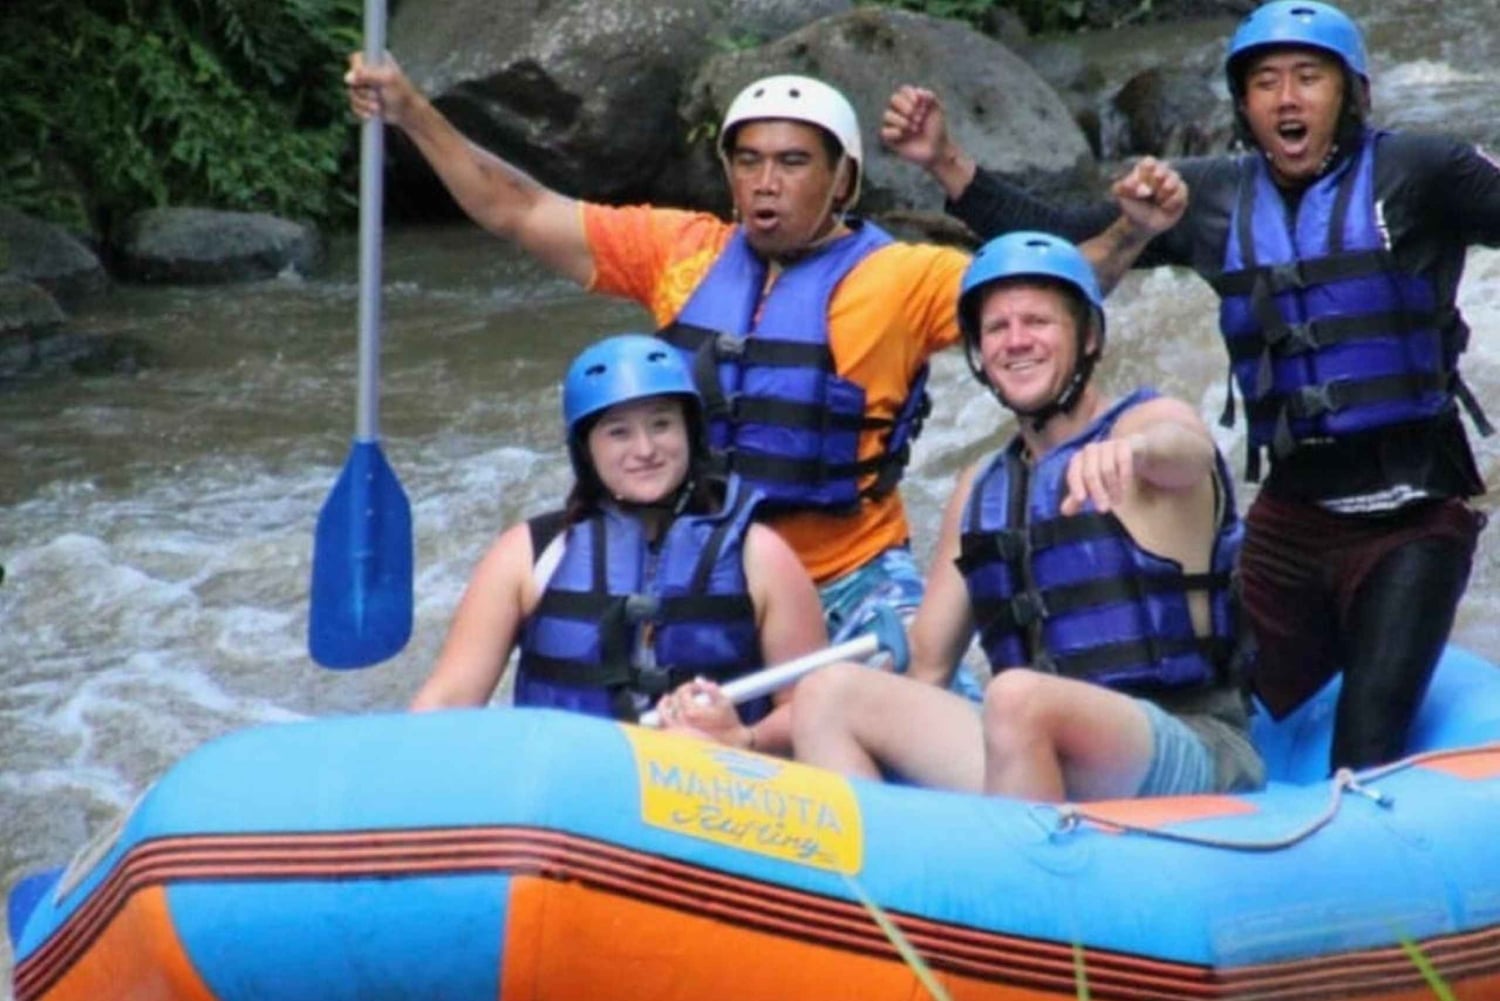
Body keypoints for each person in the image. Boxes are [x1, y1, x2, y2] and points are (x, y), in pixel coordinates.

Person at [344, 58, 1170, 698]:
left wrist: (1128, 235)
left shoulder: (903, 278)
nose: (765, 183)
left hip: (849, 577)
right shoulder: (680, 253)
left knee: (938, 704)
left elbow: (1046, 296)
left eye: (792, 162)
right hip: (704, 564)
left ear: (842, 179)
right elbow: (517, 208)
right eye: (748, 162)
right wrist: (414, 113)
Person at [885, 0, 1500, 771]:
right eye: (1265, 83)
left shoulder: (1425, 171)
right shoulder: (1209, 195)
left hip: (1414, 516)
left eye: (1308, 78)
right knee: (1217, 695)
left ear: (1352, 93)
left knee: (1368, 741)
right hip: (1293, 516)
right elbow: (1063, 241)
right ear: (1243, 104)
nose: (1287, 99)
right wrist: (947, 162)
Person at [793, 231, 1265, 801]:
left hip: (1189, 739)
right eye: (997, 328)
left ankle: (1032, 854)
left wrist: (1136, 452)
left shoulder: (1145, 426)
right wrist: (744, 734)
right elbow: (926, 669)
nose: (1016, 341)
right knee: (828, 693)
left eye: (1038, 322)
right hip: (1030, 743)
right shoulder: (980, 488)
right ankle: (876, 861)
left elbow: (1188, 452)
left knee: (1017, 697)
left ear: (1088, 337)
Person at [412, 333, 828, 755]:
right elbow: (448, 700)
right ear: (586, 449)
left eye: (661, 424)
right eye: (618, 432)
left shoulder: (761, 555)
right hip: (571, 780)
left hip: (711, 781)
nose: (645, 449)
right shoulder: (527, 554)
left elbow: (810, 707)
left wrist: (746, 737)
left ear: (691, 432)